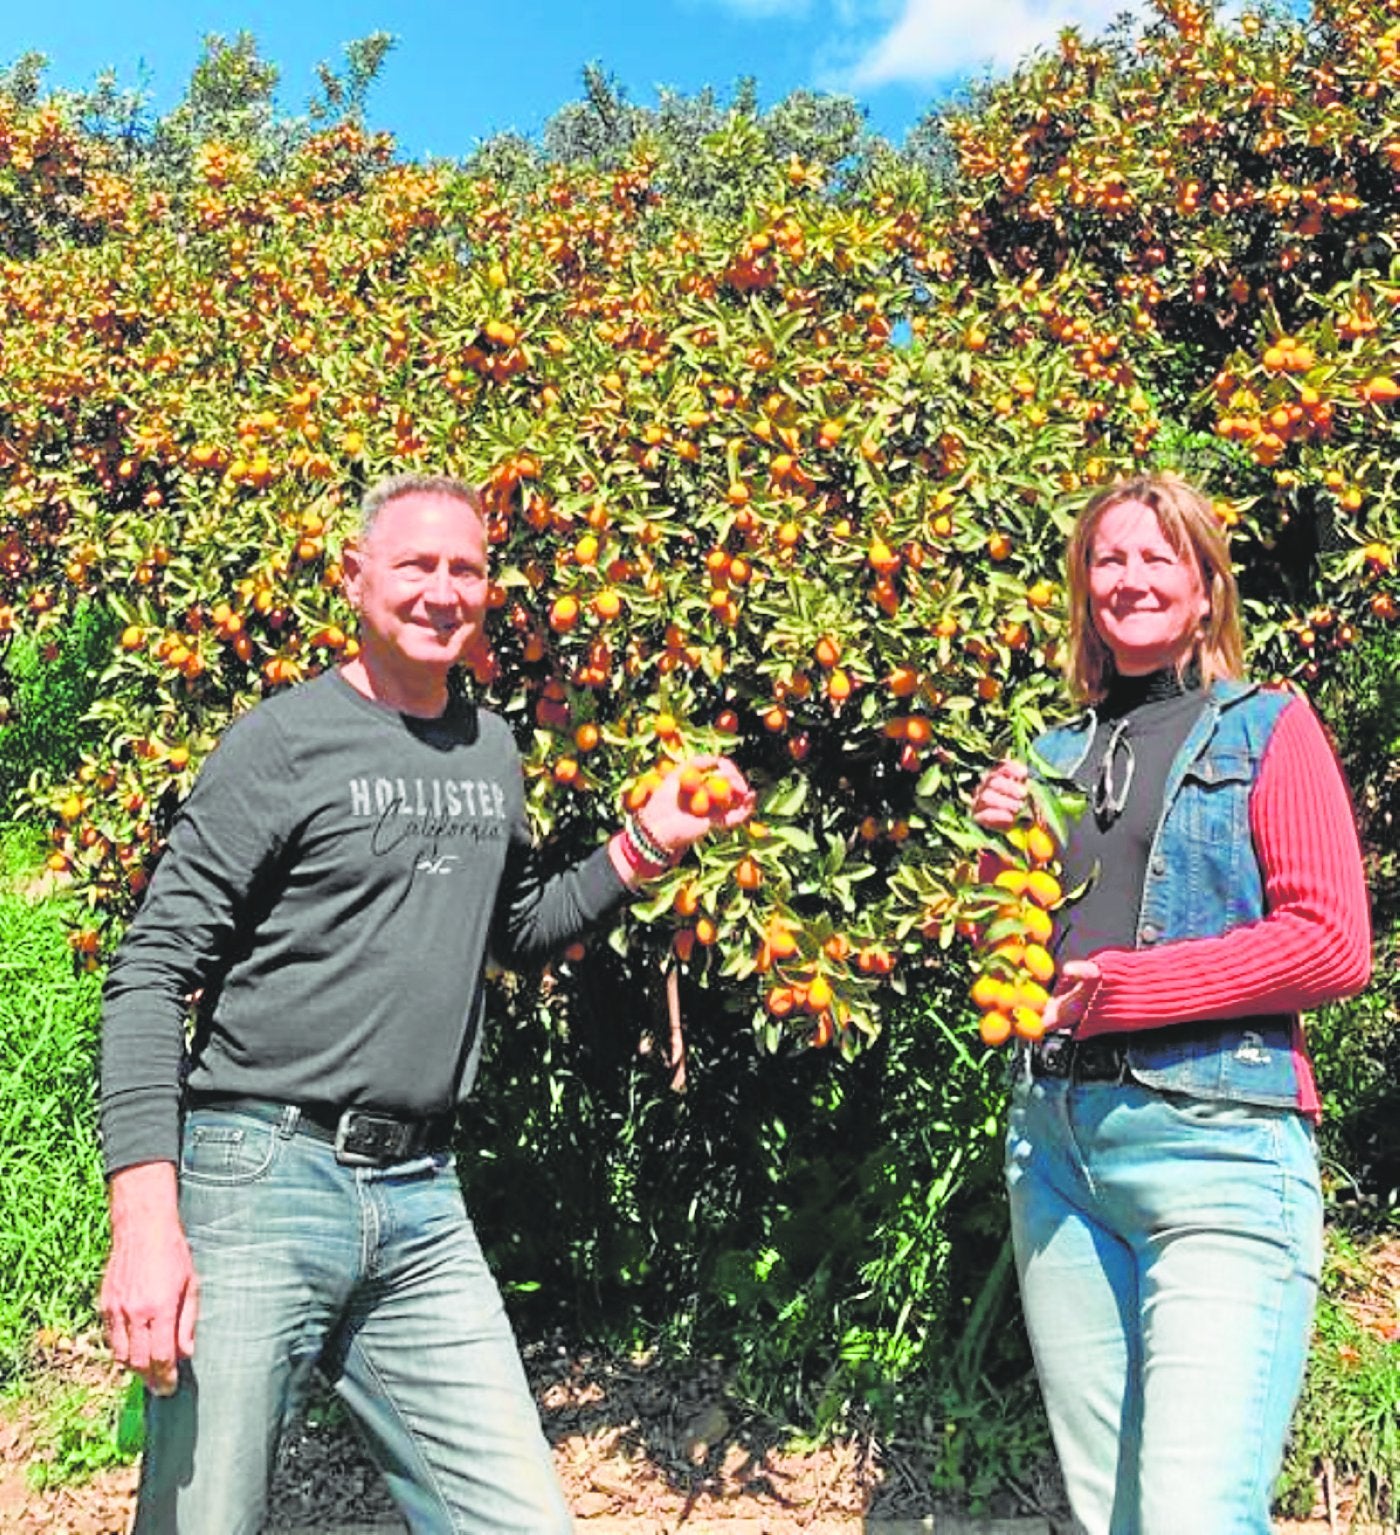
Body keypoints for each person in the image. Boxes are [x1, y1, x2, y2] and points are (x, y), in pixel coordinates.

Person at [98, 472, 755, 1535]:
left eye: (466, 567)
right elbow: (149, 970)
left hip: (418, 1197)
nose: (442, 590)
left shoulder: (488, 747)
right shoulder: (280, 741)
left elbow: (517, 928)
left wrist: (647, 843)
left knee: (519, 1516)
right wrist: (144, 1220)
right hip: (259, 1175)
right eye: (415, 564)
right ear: (355, 577)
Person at [970, 472, 1371, 1535]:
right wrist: (992, 854)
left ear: (1203, 590)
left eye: (1159, 558)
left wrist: (1124, 994)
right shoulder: (1051, 757)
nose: (1131, 578)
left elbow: (1332, 945)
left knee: (1194, 1510)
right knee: (1113, 1512)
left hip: (1218, 1151)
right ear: (1082, 588)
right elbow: (1013, 963)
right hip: (1055, 1151)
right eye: (1109, 559)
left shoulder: (1268, 729)